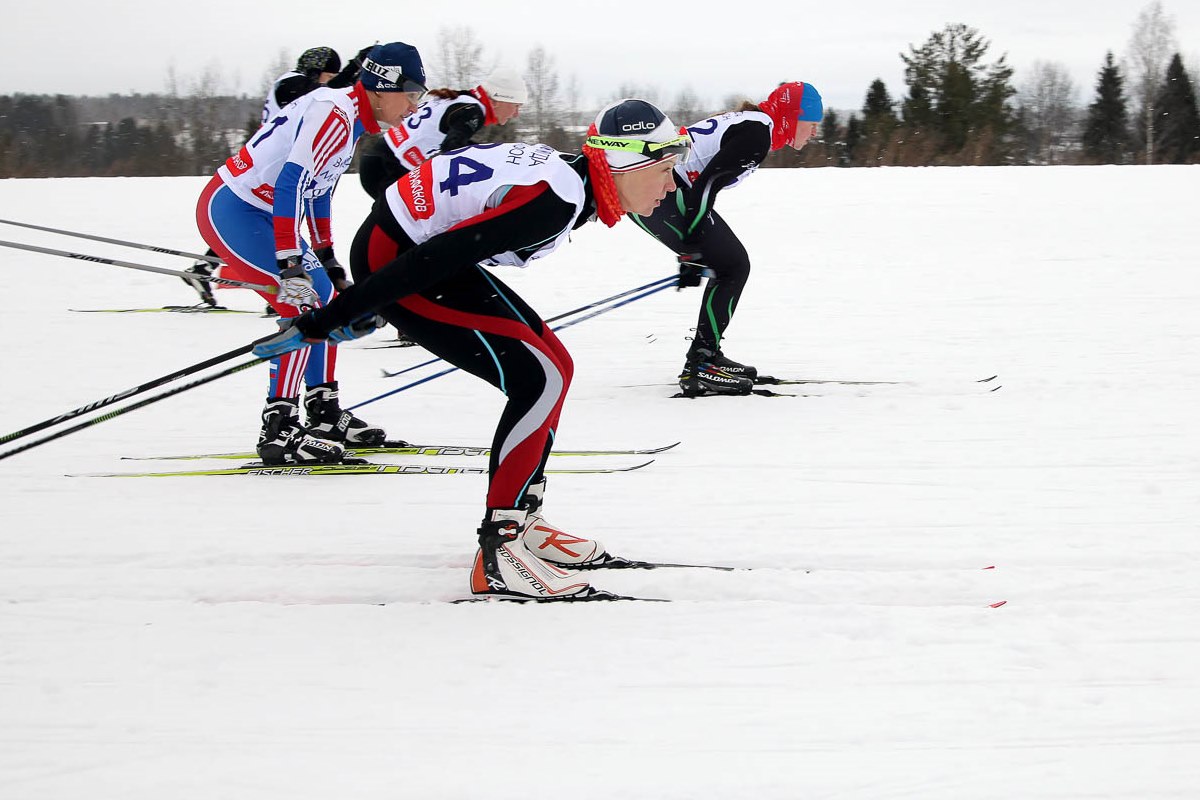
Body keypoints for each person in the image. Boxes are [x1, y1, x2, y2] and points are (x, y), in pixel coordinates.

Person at [252, 98, 691, 600]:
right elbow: (439, 255)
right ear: (623, 163)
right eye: (665, 168)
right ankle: (500, 549)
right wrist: (341, 312)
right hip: (400, 256)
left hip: (409, 247)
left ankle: (522, 521)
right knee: (538, 378)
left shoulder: (575, 184)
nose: (672, 184)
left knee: (555, 368)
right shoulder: (555, 200)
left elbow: (456, 234)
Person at [195, 42, 430, 465]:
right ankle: (279, 426)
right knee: (302, 303)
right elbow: (291, 183)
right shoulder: (333, 111)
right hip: (235, 209)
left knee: (330, 298)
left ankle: (322, 412)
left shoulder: (354, 119)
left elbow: (318, 192)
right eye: (412, 93)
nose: (415, 106)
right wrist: (290, 263)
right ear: (381, 87)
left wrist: (328, 259)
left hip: (266, 214)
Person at [628, 81, 823, 396]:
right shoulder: (758, 134)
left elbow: (705, 183)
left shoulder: (757, 126)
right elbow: (706, 184)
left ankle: (707, 356)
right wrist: (692, 248)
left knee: (730, 264)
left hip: (662, 191)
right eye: (812, 124)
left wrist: (694, 247)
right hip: (659, 192)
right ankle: (702, 363)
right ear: (793, 116)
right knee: (733, 265)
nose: (814, 133)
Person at [182, 45, 370, 307]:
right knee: (273, 230)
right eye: (330, 74)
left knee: (278, 230)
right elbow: (325, 96)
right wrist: (354, 69)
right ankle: (211, 268)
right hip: (265, 175)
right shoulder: (293, 82)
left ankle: (207, 267)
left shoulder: (320, 99)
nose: (335, 82)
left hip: (280, 174)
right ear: (317, 72)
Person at [357, 66, 529, 199]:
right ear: (498, 100)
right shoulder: (473, 110)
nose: (516, 114)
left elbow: (454, 144)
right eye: (516, 106)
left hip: (380, 161)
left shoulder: (464, 100)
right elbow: (453, 148)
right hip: (386, 168)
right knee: (413, 232)